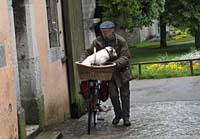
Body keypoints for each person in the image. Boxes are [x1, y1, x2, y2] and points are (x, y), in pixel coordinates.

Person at [83, 21, 133, 126]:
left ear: (112, 30)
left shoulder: (121, 41)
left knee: (125, 95)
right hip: (108, 73)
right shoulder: (98, 42)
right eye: (103, 32)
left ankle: (126, 117)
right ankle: (118, 114)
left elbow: (126, 56)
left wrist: (115, 63)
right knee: (113, 95)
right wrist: (82, 61)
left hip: (122, 71)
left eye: (106, 31)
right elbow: (88, 52)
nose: (104, 34)